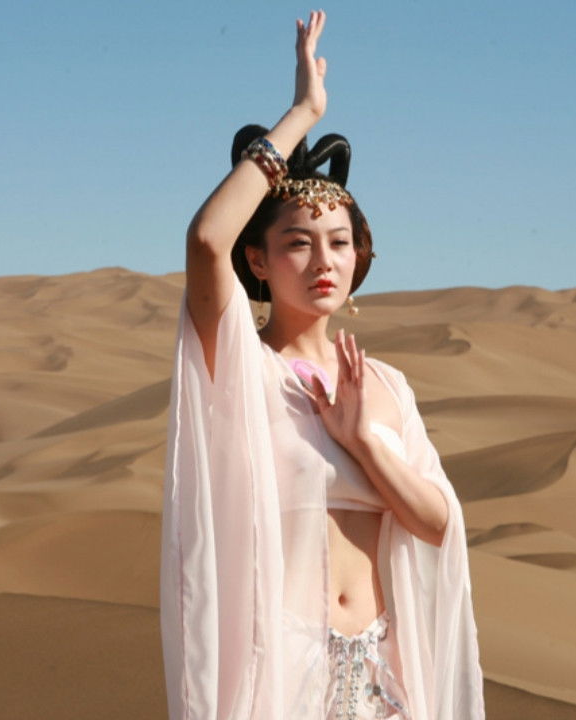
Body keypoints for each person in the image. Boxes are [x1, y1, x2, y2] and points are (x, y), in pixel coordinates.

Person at [160, 10, 485, 720]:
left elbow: (439, 524)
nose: (323, 261)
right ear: (258, 259)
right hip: (282, 678)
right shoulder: (239, 368)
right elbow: (207, 238)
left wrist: (365, 440)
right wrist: (304, 114)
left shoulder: (385, 386)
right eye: (298, 243)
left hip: (385, 681)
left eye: (339, 242)